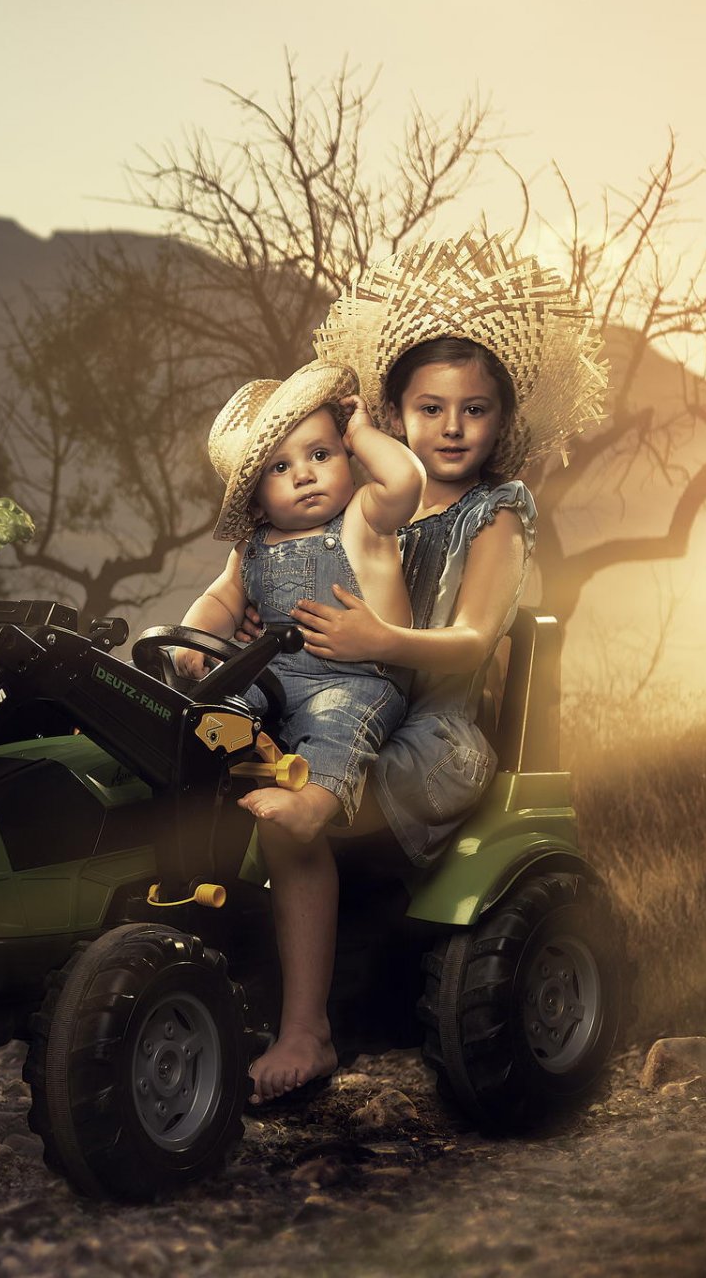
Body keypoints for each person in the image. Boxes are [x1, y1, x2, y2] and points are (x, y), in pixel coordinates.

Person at [238, 232, 609, 1100]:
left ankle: (308, 1028)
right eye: (430, 408)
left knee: (299, 812)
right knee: (219, 768)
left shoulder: (495, 514)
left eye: (474, 410)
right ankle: (234, 978)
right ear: (393, 416)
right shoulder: (360, 503)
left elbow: (476, 639)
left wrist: (378, 642)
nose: (452, 428)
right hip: (343, 701)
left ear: (502, 420)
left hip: (435, 733)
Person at [178, 360, 426, 1103]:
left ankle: (317, 791)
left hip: (355, 686)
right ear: (256, 495)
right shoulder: (250, 551)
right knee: (216, 708)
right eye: (281, 468)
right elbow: (218, 603)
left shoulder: (364, 520)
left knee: (324, 732)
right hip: (274, 686)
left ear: (346, 457)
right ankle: (234, 770)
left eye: (321, 454)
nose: (307, 475)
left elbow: (405, 482)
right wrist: (193, 643)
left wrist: (358, 426)